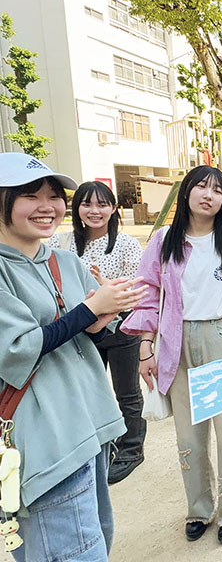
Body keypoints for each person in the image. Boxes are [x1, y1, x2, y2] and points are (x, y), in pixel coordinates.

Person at [0, 153, 145, 561]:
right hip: (48, 438)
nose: (48, 206)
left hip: (91, 424)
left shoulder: (63, 259)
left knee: (97, 535)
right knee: (71, 551)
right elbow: (18, 348)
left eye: (54, 195)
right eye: (30, 196)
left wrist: (103, 315)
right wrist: (89, 308)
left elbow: (90, 329)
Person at [121, 165, 222, 545]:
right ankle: (200, 509)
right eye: (201, 186)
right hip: (178, 340)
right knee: (189, 433)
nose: (208, 195)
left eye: (217, 190)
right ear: (186, 192)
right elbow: (149, 295)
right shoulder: (163, 242)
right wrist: (145, 347)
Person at [48, 180, 147, 485]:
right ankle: (100, 445)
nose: (94, 211)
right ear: (76, 208)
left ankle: (132, 449)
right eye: (86, 204)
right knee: (88, 389)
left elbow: (135, 290)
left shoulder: (127, 243)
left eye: (102, 204)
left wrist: (103, 284)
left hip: (121, 328)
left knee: (126, 391)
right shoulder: (59, 243)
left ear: (114, 208)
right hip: (79, 329)